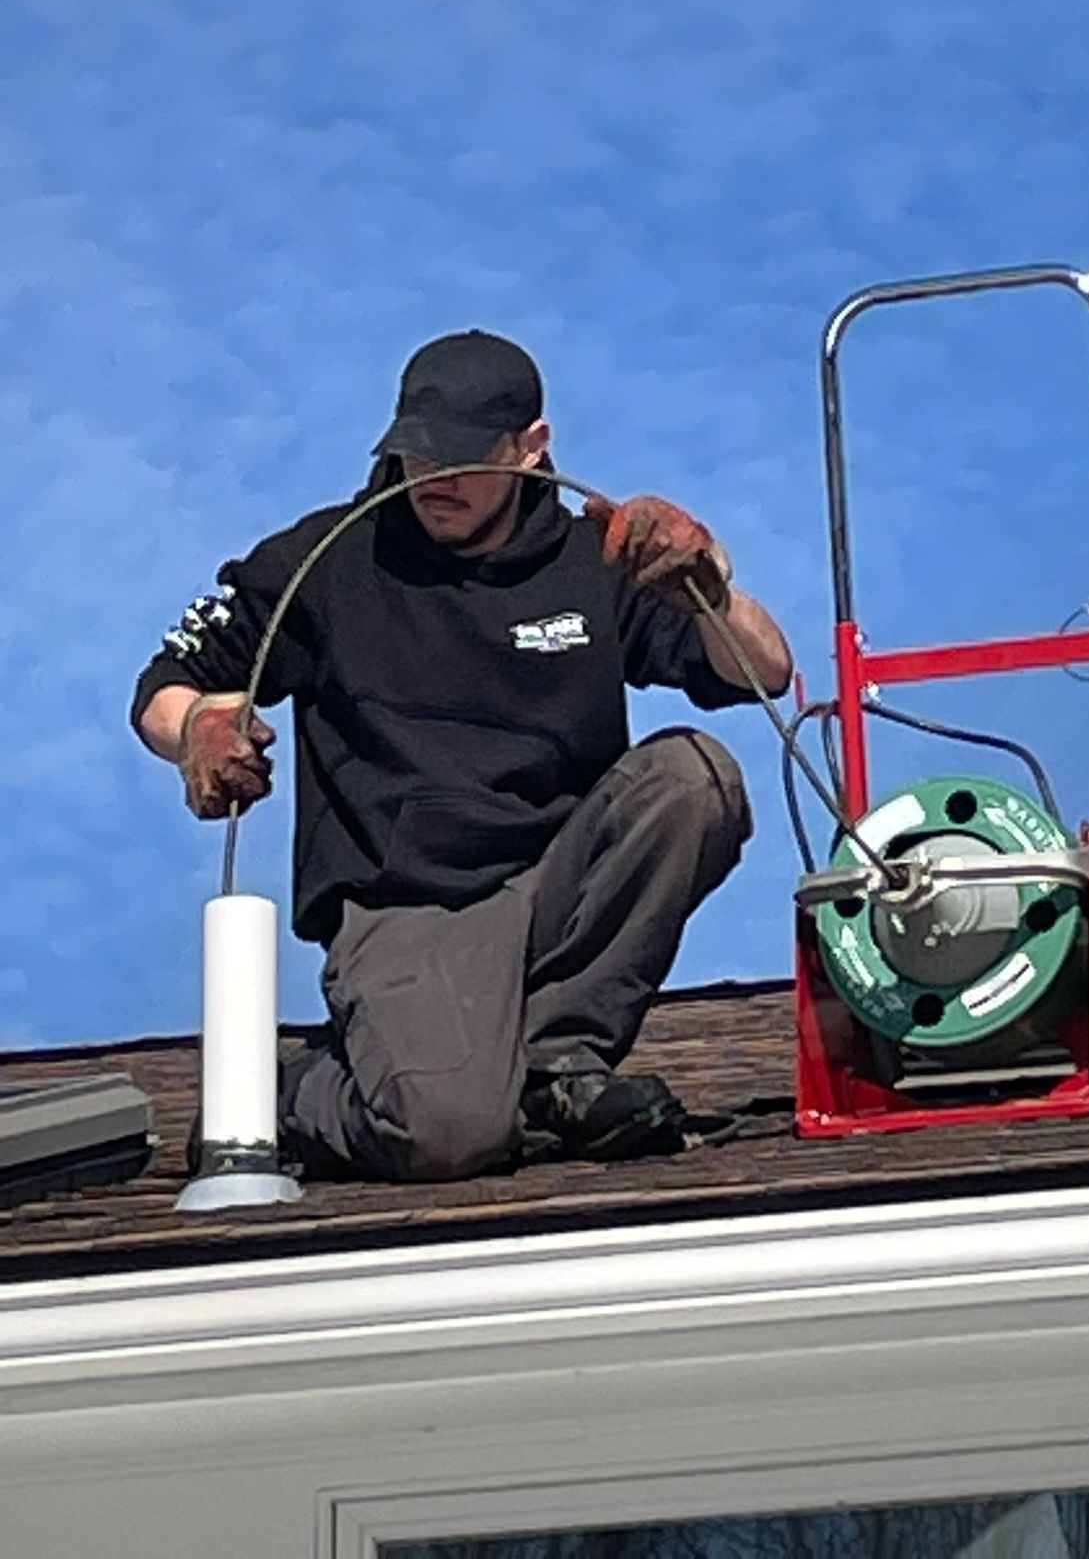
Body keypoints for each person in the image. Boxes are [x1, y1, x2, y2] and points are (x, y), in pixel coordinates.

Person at [130, 330, 793, 1181]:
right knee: (447, 1134)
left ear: (530, 448)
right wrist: (199, 731)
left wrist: (707, 585)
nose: (433, 480)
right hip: (409, 908)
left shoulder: (594, 557)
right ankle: (297, 1092)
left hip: (557, 884)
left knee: (695, 776)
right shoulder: (325, 561)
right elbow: (168, 680)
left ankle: (558, 1070)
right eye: (415, 455)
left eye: (463, 460)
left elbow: (766, 670)